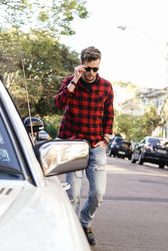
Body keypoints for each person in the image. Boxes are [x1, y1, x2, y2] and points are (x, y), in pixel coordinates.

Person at [54, 46, 114, 245]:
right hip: (73, 144)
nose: (91, 73)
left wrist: (106, 139)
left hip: (96, 145)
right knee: (72, 194)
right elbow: (59, 103)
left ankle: (85, 222)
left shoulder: (106, 86)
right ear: (81, 65)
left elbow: (109, 114)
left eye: (95, 69)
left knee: (98, 193)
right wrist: (73, 80)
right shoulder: (71, 83)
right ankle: (71, 233)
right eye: (87, 68)